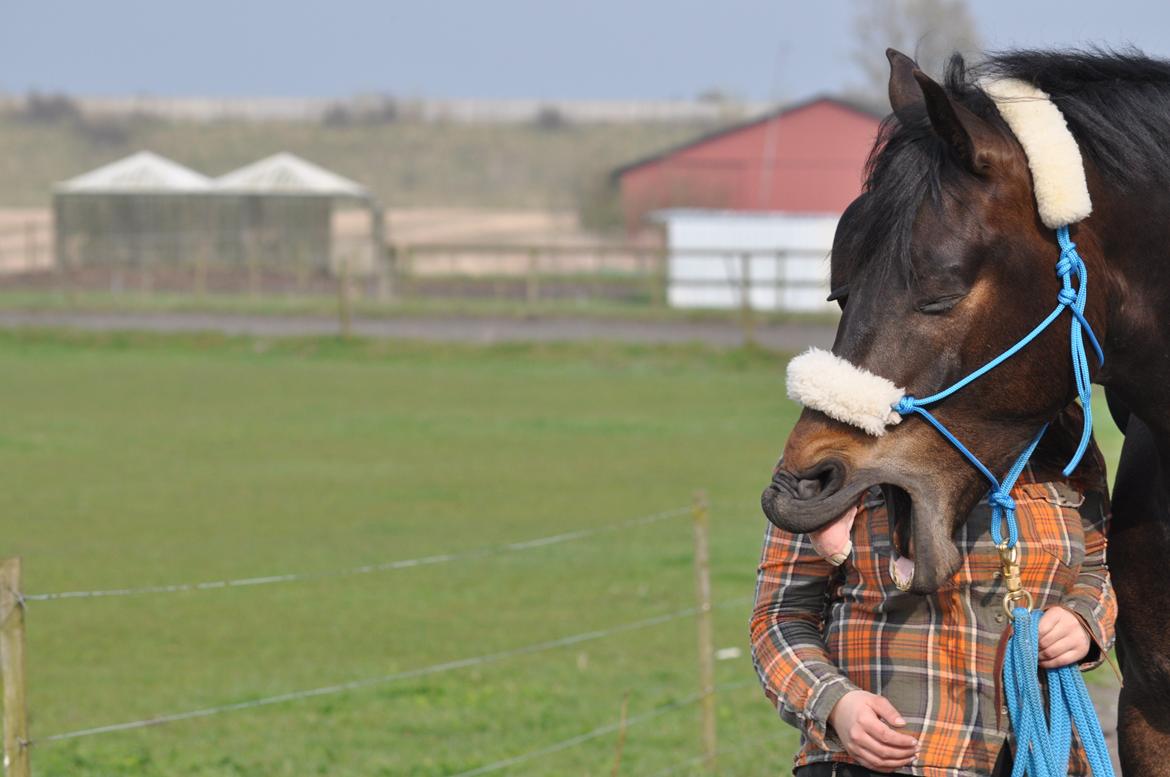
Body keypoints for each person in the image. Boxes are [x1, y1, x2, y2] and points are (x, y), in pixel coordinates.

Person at [750, 410, 1116, 777]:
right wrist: (834, 702)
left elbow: (1099, 567)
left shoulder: (1065, 442)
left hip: (1044, 756)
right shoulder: (837, 445)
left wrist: (1083, 619)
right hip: (890, 759)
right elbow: (779, 616)